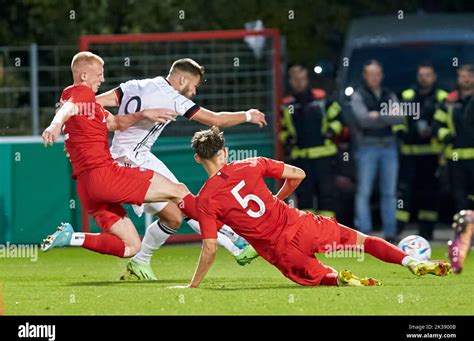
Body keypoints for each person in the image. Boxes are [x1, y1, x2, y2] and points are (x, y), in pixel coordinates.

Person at [172, 126, 451, 289]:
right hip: (304, 226)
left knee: (321, 278)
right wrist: (278, 198)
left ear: (197, 159)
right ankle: (412, 261)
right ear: (225, 152)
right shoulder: (252, 163)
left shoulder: (206, 199)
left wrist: (193, 285)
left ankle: (342, 278)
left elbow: (210, 247)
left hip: (282, 252)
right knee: (363, 242)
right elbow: (298, 175)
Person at [95, 58, 265, 279]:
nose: (193, 92)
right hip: (130, 162)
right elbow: (216, 120)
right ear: (182, 79)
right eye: (193, 85)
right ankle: (237, 245)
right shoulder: (171, 97)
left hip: (139, 157)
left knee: (174, 217)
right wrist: (249, 115)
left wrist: (110, 123)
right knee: (185, 202)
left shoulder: (135, 85)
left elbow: (94, 103)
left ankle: (140, 262)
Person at [40, 51, 189, 259]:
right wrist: (54, 125)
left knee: (130, 248)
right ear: (84, 76)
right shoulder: (81, 95)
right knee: (179, 191)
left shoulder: (90, 106)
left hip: (87, 189)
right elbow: (68, 109)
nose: (102, 79)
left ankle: (72, 238)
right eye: (99, 74)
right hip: (106, 176)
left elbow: (115, 123)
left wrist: (143, 114)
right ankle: (229, 232)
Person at [350, 60, 404, 242]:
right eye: (371, 74)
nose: (374, 77)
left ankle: (390, 233)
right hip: (367, 147)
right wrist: (386, 116)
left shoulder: (388, 93)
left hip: (389, 146)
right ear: (365, 76)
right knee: (364, 191)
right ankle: (364, 233)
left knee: (389, 192)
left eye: (377, 74)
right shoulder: (358, 95)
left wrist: (377, 115)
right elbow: (363, 119)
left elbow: (399, 117)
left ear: (381, 75)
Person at [280, 65, 343, 217]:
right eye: (296, 80)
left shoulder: (322, 100)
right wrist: (286, 139)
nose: (299, 83)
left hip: (324, 158)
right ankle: (309, 235)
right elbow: (281, 130)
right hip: (301, 159)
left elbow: (339, 119)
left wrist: (331, 130)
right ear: (291, 82)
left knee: (326, 197)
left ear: (307, 79)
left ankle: (328, 234)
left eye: (301, 79)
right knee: (304, 199)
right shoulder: (287, 105)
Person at [396, 62, 448, 240]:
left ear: (434, 77)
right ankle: (397, 229)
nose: (424, 78)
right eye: (421, 75)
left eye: (428, 75)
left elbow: (446, 121)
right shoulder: (407, 95)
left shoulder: (443, 97)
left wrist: (433, 131)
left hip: (431, 154)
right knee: (404, 192)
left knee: (430, 193)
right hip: (409, 153)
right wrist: (402, 132)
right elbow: (398, 119)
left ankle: (426, 231)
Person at [433, 64, 474, 213]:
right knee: (459, 196)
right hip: (456, 158)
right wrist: (446, 135)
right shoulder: (450, 100)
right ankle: (463, 233)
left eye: (469, 76)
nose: (466, 80)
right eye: (463, 76)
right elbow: (437, 125)